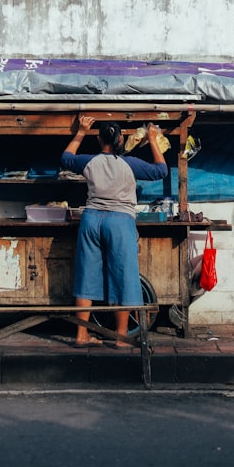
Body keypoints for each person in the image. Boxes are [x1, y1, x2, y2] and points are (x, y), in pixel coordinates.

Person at [60, 115, 169, 347]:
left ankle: (81, 335)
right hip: (120, 222)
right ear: (120, 139)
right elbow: (161, 170)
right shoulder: (130, 163)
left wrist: (80, 132)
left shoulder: (89, 161)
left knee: (86, 274)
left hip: (91, 220)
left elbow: (66, 158)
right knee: (123, 276)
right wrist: (152, 139)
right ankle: (121, 338)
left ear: (100, 140)